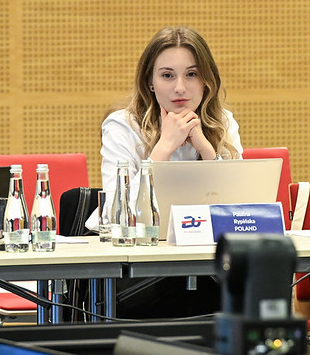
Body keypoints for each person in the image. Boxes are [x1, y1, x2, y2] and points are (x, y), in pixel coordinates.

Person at [90, 26, 243, 318]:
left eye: (192, 74)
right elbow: (116, 214)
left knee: (247, 286)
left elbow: (239, 208)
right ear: (150, 82)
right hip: (138, 266)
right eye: (167, 75)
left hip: (207, 262)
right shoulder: (123, 126)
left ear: (207, 80)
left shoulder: (222, 122)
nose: (180, 88)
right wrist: (164, 147)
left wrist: (207, 150)